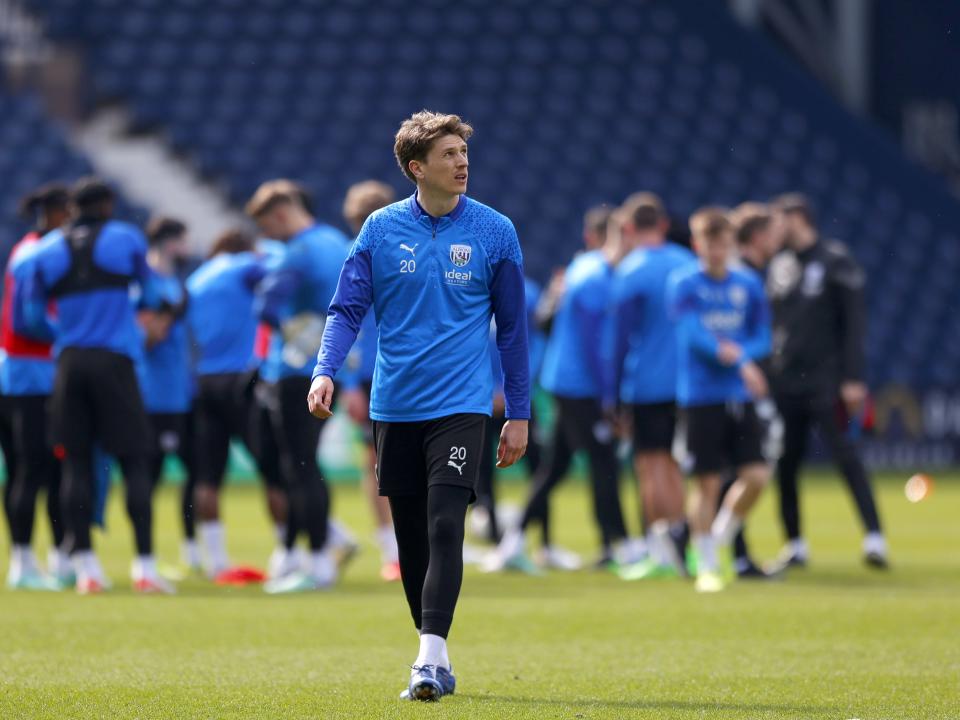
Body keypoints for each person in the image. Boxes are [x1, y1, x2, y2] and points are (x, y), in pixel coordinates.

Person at [308, 111, 529, 702]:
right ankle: (438, 652)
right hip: (394, 404)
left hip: (461, 405)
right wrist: (325, 370)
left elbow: (512, 328)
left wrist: (520, 411)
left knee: (444, 524)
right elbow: (347, 308)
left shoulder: (494, 231)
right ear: (416, 167)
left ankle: (426, 658)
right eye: (449, 154)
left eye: (464, 152)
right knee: (410, 540)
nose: (462, 162)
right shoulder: (379, 230)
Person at [15, 177, 171, 594]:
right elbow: (152, 294)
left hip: (69, 363)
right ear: (107, 205)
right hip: (116, 360)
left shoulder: (42, 252)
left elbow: (28, 318)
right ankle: (145, 568)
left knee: (75, 464)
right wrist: (124, 313)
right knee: (135, 461)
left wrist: (65, 333)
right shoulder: (125, 237)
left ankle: (86, 570)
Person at [491, 205, 643, 575]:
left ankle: (513, 543)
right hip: (579, 385)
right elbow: (595, 346)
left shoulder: (584, 269)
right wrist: (609, 397)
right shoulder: (596, 278)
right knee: (603, 461)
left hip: (565, 380)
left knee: (554, 468)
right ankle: (622, 545)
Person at [765, 193, 887, 569]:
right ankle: (795, 542)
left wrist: (852, 377)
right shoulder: (780, 264)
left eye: (778, 220)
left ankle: (874, 537)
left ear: (798, 218)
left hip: (827, 380)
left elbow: (854, 323)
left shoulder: (836, 260)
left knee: (846, 458)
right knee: (786, 463)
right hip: (786, 381)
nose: (773, 228)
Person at [248, 180, 353, 593]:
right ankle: (300, 555)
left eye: (268, 228)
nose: (268, 237)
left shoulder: (297, 253)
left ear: (280, 215)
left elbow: (266, 308)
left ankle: (316, 562)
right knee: (306, 464)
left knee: (300, 467)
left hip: (296, 374)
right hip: (336, 370)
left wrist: (300, 335)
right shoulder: (338, 242)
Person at [667, 207, 772, 593]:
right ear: (698, 244)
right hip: (700, 396)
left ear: (731, 245)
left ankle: (720, 538)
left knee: (757, 475)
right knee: (707, 484)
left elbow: (763, 335)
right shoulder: (683, 283)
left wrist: (741, 356)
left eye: (723, 244)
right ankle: (707, 566)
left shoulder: (748, 283)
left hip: (738, 395)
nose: (717, 251)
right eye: (710, 244)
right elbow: (692, 333)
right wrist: (728, 354)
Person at [606, 193, 695, 582]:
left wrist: (610, 394)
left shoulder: (631, 270)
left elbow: (619, 339)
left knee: (650, 465)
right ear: (662, 224)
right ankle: (684, 542)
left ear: (627, 229)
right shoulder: (687, 263)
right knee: (674, 465)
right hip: (689, 382)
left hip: (646, 382)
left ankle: (661, 549)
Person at [1, 183, 71, 590]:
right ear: (59, 213)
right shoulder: (36, 254)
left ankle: (35, 560)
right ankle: (27, 563)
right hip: (33, 374)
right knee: (37, 467)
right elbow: (28, 320)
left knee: (28, 469)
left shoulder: (26, 249)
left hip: (19, 371)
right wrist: (73, 333)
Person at [339, 180, 401, 582]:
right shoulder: (401, 250)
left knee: (379, 465)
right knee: (384, 463)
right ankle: (396, 549)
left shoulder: (364, 254)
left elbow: (348, 323)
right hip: (392, 371)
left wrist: (347, 384)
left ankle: (394, 549)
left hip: (375, 375)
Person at [137, 216, 198, 572]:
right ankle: (146, 557)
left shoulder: (176, 283)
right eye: (182, 241)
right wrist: (167, 317)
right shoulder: (145, 283)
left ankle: (190, 549)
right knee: (149, 476)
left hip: (182, 391)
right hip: (152, 395)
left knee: (197, 471)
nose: (187, 249)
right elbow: (144, 338)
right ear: (167, 241)